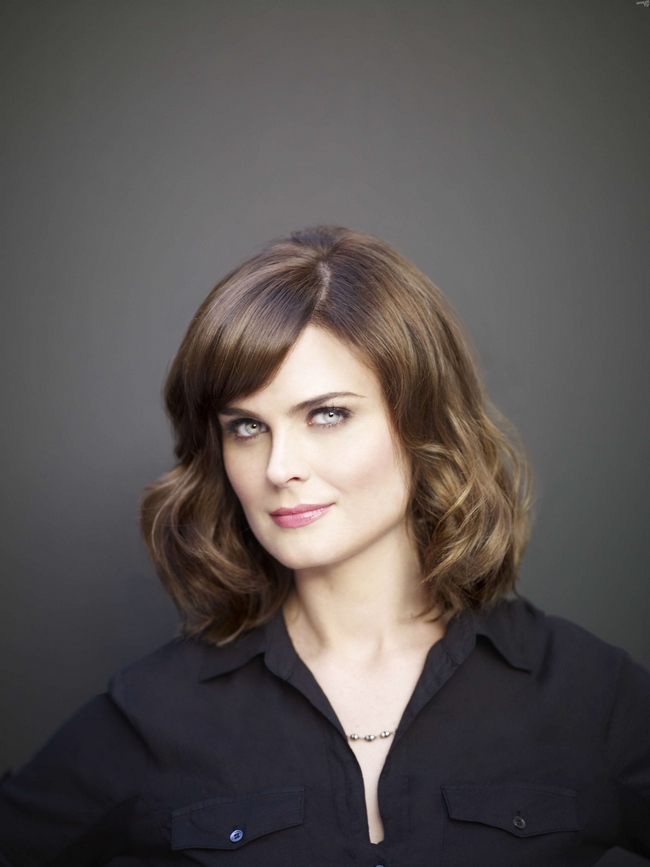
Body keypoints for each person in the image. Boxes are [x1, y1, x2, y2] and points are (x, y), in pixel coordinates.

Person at [0, 226, 648, 866]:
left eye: (327, 414)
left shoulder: (587, 694)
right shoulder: (157, 711)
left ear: (421, 421)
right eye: (246, 426)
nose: (279, 467)